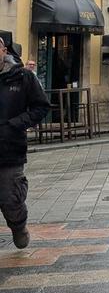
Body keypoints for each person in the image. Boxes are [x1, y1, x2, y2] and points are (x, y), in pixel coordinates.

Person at [0, 33, 50, 249]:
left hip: (9, 149)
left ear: (4, 51)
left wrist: (16, 124)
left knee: (10, 199)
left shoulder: (22, 77)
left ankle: (18, 226)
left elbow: (41, 107)